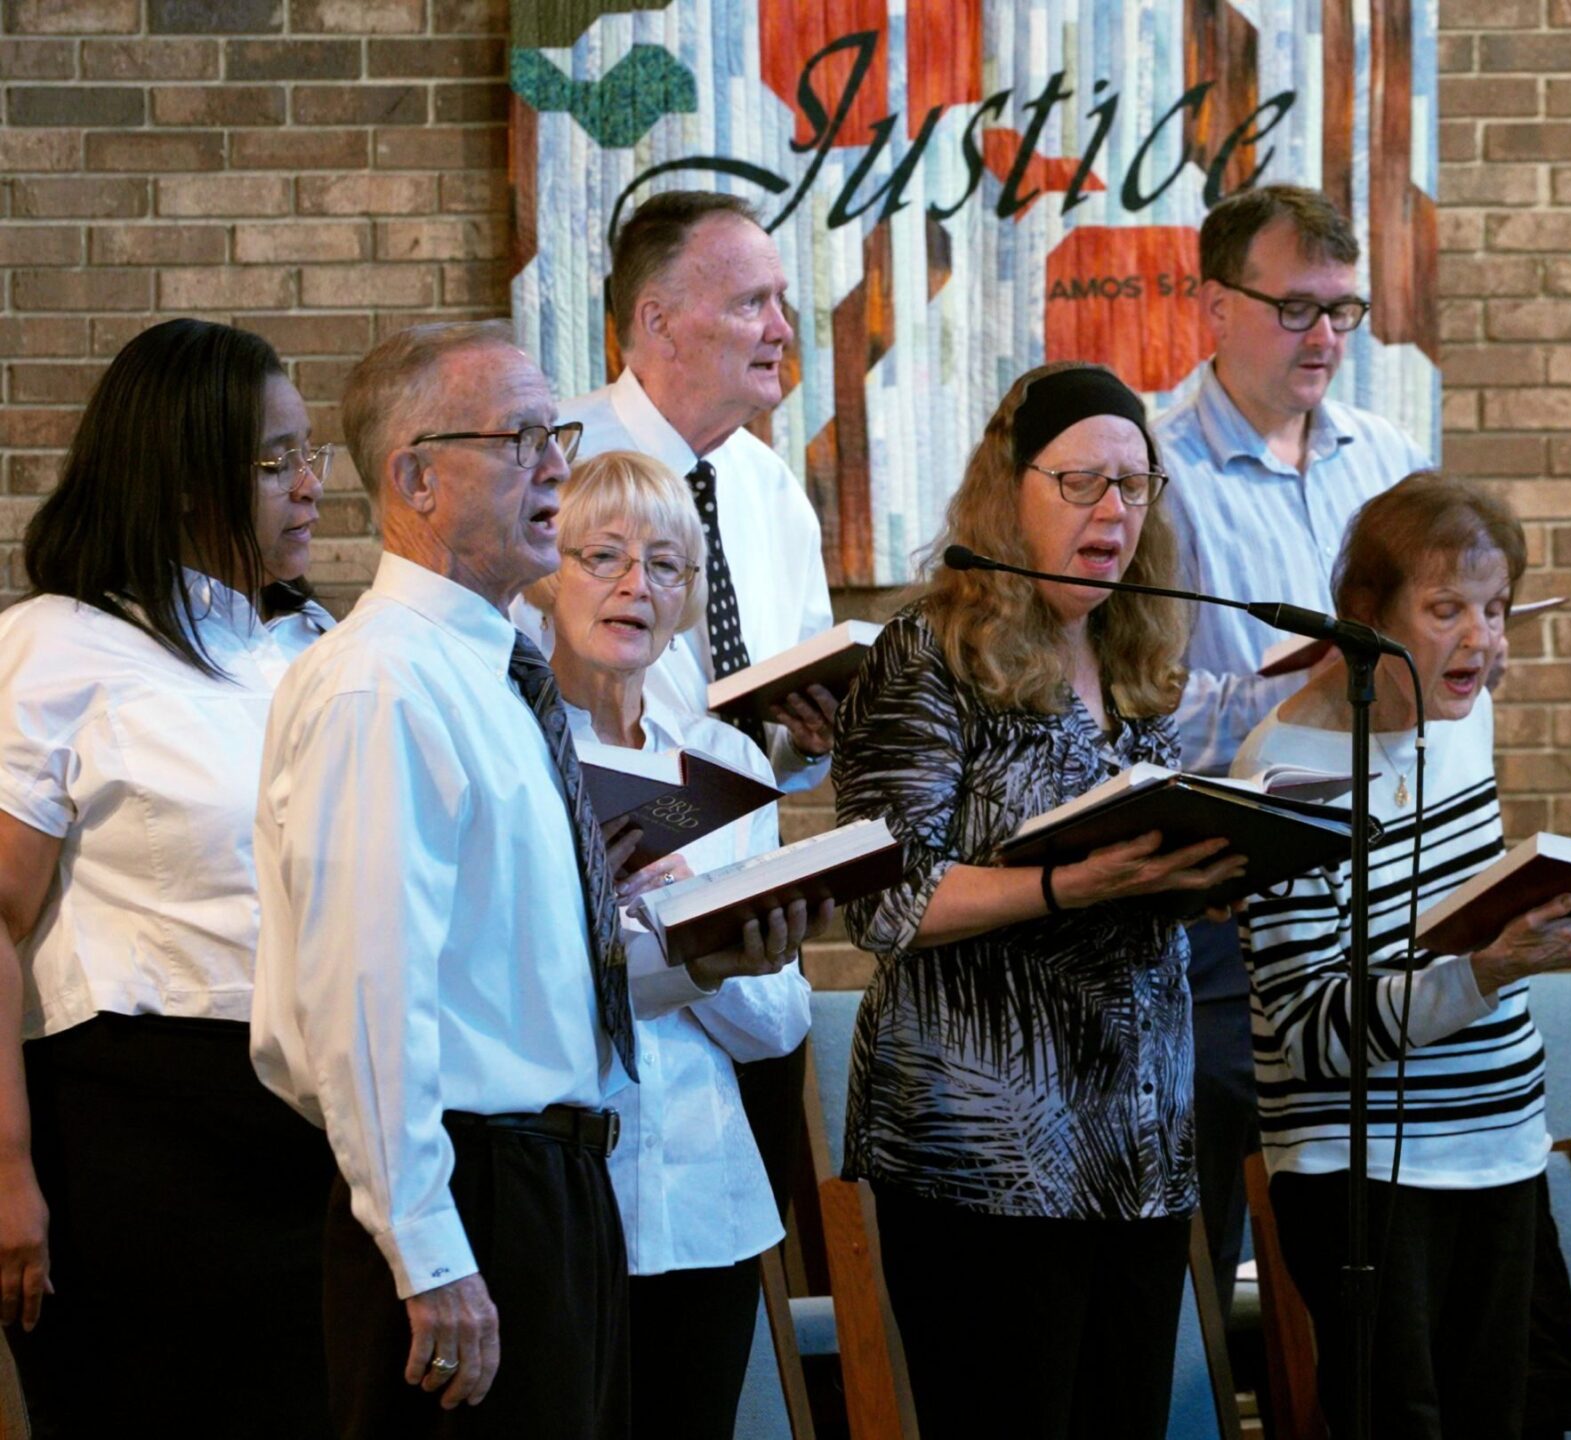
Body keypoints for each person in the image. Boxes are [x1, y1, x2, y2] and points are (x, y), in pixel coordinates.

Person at [252, 321, 823, 1437]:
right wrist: (427, 1251)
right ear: (415, 477)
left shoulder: (495, 681)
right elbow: (367, 998)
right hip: (472, 1188)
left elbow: (521, 958)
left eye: (554, 432)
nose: (557, 463)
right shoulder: (385, 684)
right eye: (520, 439)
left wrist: (699, 956)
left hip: (563, 1181)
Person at [832, 362, 1242, 1438]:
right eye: (1080, 484)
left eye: (1135, 485)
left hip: (1136, 1150)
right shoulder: (928, 653)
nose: (1113, 510)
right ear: (1007, 492)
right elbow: (877, 899)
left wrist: (1206, 874)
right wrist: (1069, 883)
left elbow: (1131, 874)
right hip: (986, 1155)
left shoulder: (1130, 652)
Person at [1232, 473, 1571, 1439]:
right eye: (1446, 609)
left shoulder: (1466, 718)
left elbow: (1458, 919)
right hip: (1361, 1175)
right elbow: (1314, 1033)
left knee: (1523, 1414)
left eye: (1493, 611)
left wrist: (1552, 926)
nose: (1483, 641)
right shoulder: (1282, 776)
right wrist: (1492, 967)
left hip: (1502, 1145)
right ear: (1365, 616)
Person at [0, 318, 336, 1436]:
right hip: (133, 1133)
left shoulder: (313, 646)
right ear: (187, 478)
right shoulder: (57, 646)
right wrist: (5, 1173)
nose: (309, 484)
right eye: (275, 460)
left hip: (313, 1126)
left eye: (311, 453)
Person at [1156, 182, 1432, 1319]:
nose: (1325, 339)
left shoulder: (1392, 458)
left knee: (1369, 1254)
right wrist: (1308, 698)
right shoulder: (1154, 468)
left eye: (1344, 311)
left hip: (1385, 891)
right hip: (1229, 912)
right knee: (1203, 1265)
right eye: (1297, 310)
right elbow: (1130, 706)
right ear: (1214, 306)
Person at [520, 448, 818, 1439]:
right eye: (600, 555)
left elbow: (777, 1023)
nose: (632, 585)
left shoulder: (722, 764)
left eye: (663, 565)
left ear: (688, 595)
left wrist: (697, 929)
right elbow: (520, 990)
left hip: (705, 1199)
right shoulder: (512, 748)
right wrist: (677, 953)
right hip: (561, 1196)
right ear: (544, 575)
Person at [559, 190, 838, 790]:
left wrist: (807, 748)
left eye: (780, 301)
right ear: (660, 323)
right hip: (604, 859)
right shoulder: (551, 466)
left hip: (746, 858)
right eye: (751, 304)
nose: (782, 329)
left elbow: (779, 755)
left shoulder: (774, 490)